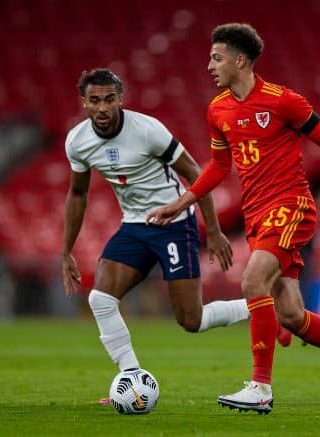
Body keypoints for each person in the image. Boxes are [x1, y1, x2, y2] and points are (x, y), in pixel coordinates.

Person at [146, 23, 320, 414]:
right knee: (290, 314)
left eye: (216, 58)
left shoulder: (282, 100)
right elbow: (219, 167)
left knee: (253, 279)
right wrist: (180, 202)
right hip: (257, 217)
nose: (209, 65)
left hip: (291, 207)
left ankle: (260, 388)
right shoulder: (217, 110)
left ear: (240, 61)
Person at [61, 68, 252, 391]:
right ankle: (132, 376)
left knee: (192, 320)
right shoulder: (78, 141)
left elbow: (196, 174)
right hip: (134, 226)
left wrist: (215, 231)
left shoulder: (148, 131)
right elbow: (78, 194)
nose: (103, 108)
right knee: (101, 300)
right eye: (95, 101)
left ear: (121, 99)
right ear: (84, 103)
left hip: (175, 224)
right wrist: (66, 251)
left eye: (110, 99)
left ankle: (261, 306)